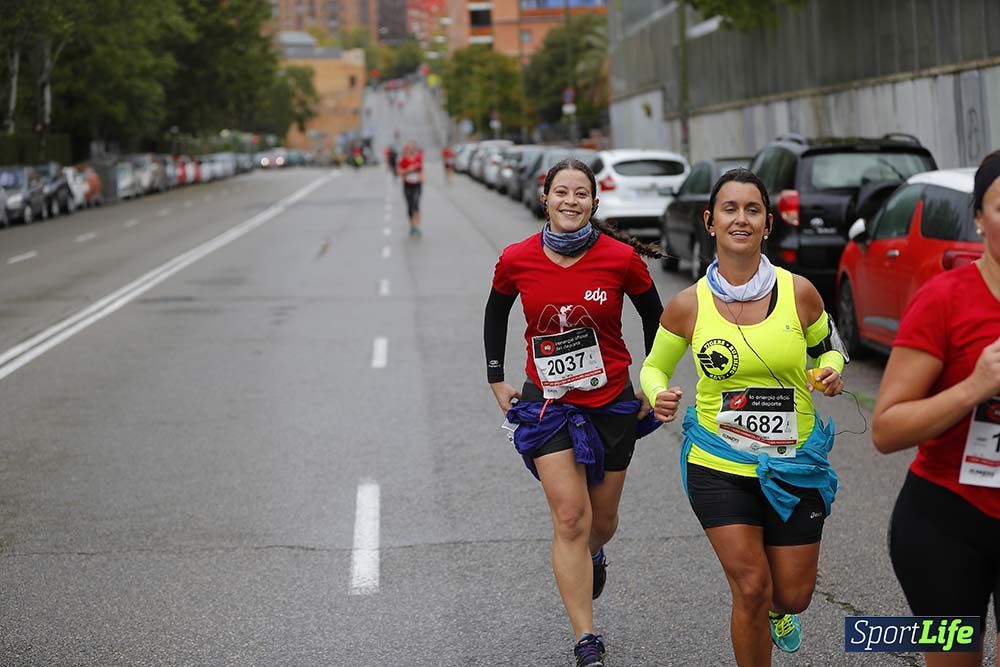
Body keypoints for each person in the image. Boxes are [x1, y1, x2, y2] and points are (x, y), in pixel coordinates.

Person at [639, 168, 847, 664]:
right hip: (718, 461)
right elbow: (653, 366)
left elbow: (830, 351)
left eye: (752, 210)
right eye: (729, 209)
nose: (741, 219)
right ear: (710, 222)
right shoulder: (688, 306)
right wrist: (659, 393)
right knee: (751, 587)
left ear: (767, 224)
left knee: (790, 594)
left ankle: (782, 610)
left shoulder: (799, 293)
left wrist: (831, 373)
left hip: (794, 460)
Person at [485, 159, 664, 667]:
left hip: (610, 404)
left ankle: (595, 551)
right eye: (560, 192)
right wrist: (495, 377)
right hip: (547, 405)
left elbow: (656, 317)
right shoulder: (517, 258)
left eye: (580, 193)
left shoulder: (620, 259)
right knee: (569, 518)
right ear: (545, 198)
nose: (570, 201)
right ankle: (587, 638)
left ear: (594, 202)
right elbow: (496, 311)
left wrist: (653, 376)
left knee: (600, 522)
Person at [872, 150, 1000, 667]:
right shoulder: (945, 299)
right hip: (947, 523)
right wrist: (975, 386)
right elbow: (885, 429)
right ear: (978, 218)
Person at [396, 141, 424, 237]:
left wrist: (422, 177)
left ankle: (417, 227)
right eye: (409, 149)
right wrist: (408, 170)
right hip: (407, 185)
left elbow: (421, 170)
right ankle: (412, 225)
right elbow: (399, 172)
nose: (411, 150)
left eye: (412, 148)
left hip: (417, 185)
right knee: (410, 206)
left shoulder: (418, 158)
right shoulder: (403, 160)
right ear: (406, 150)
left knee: (416, 204)